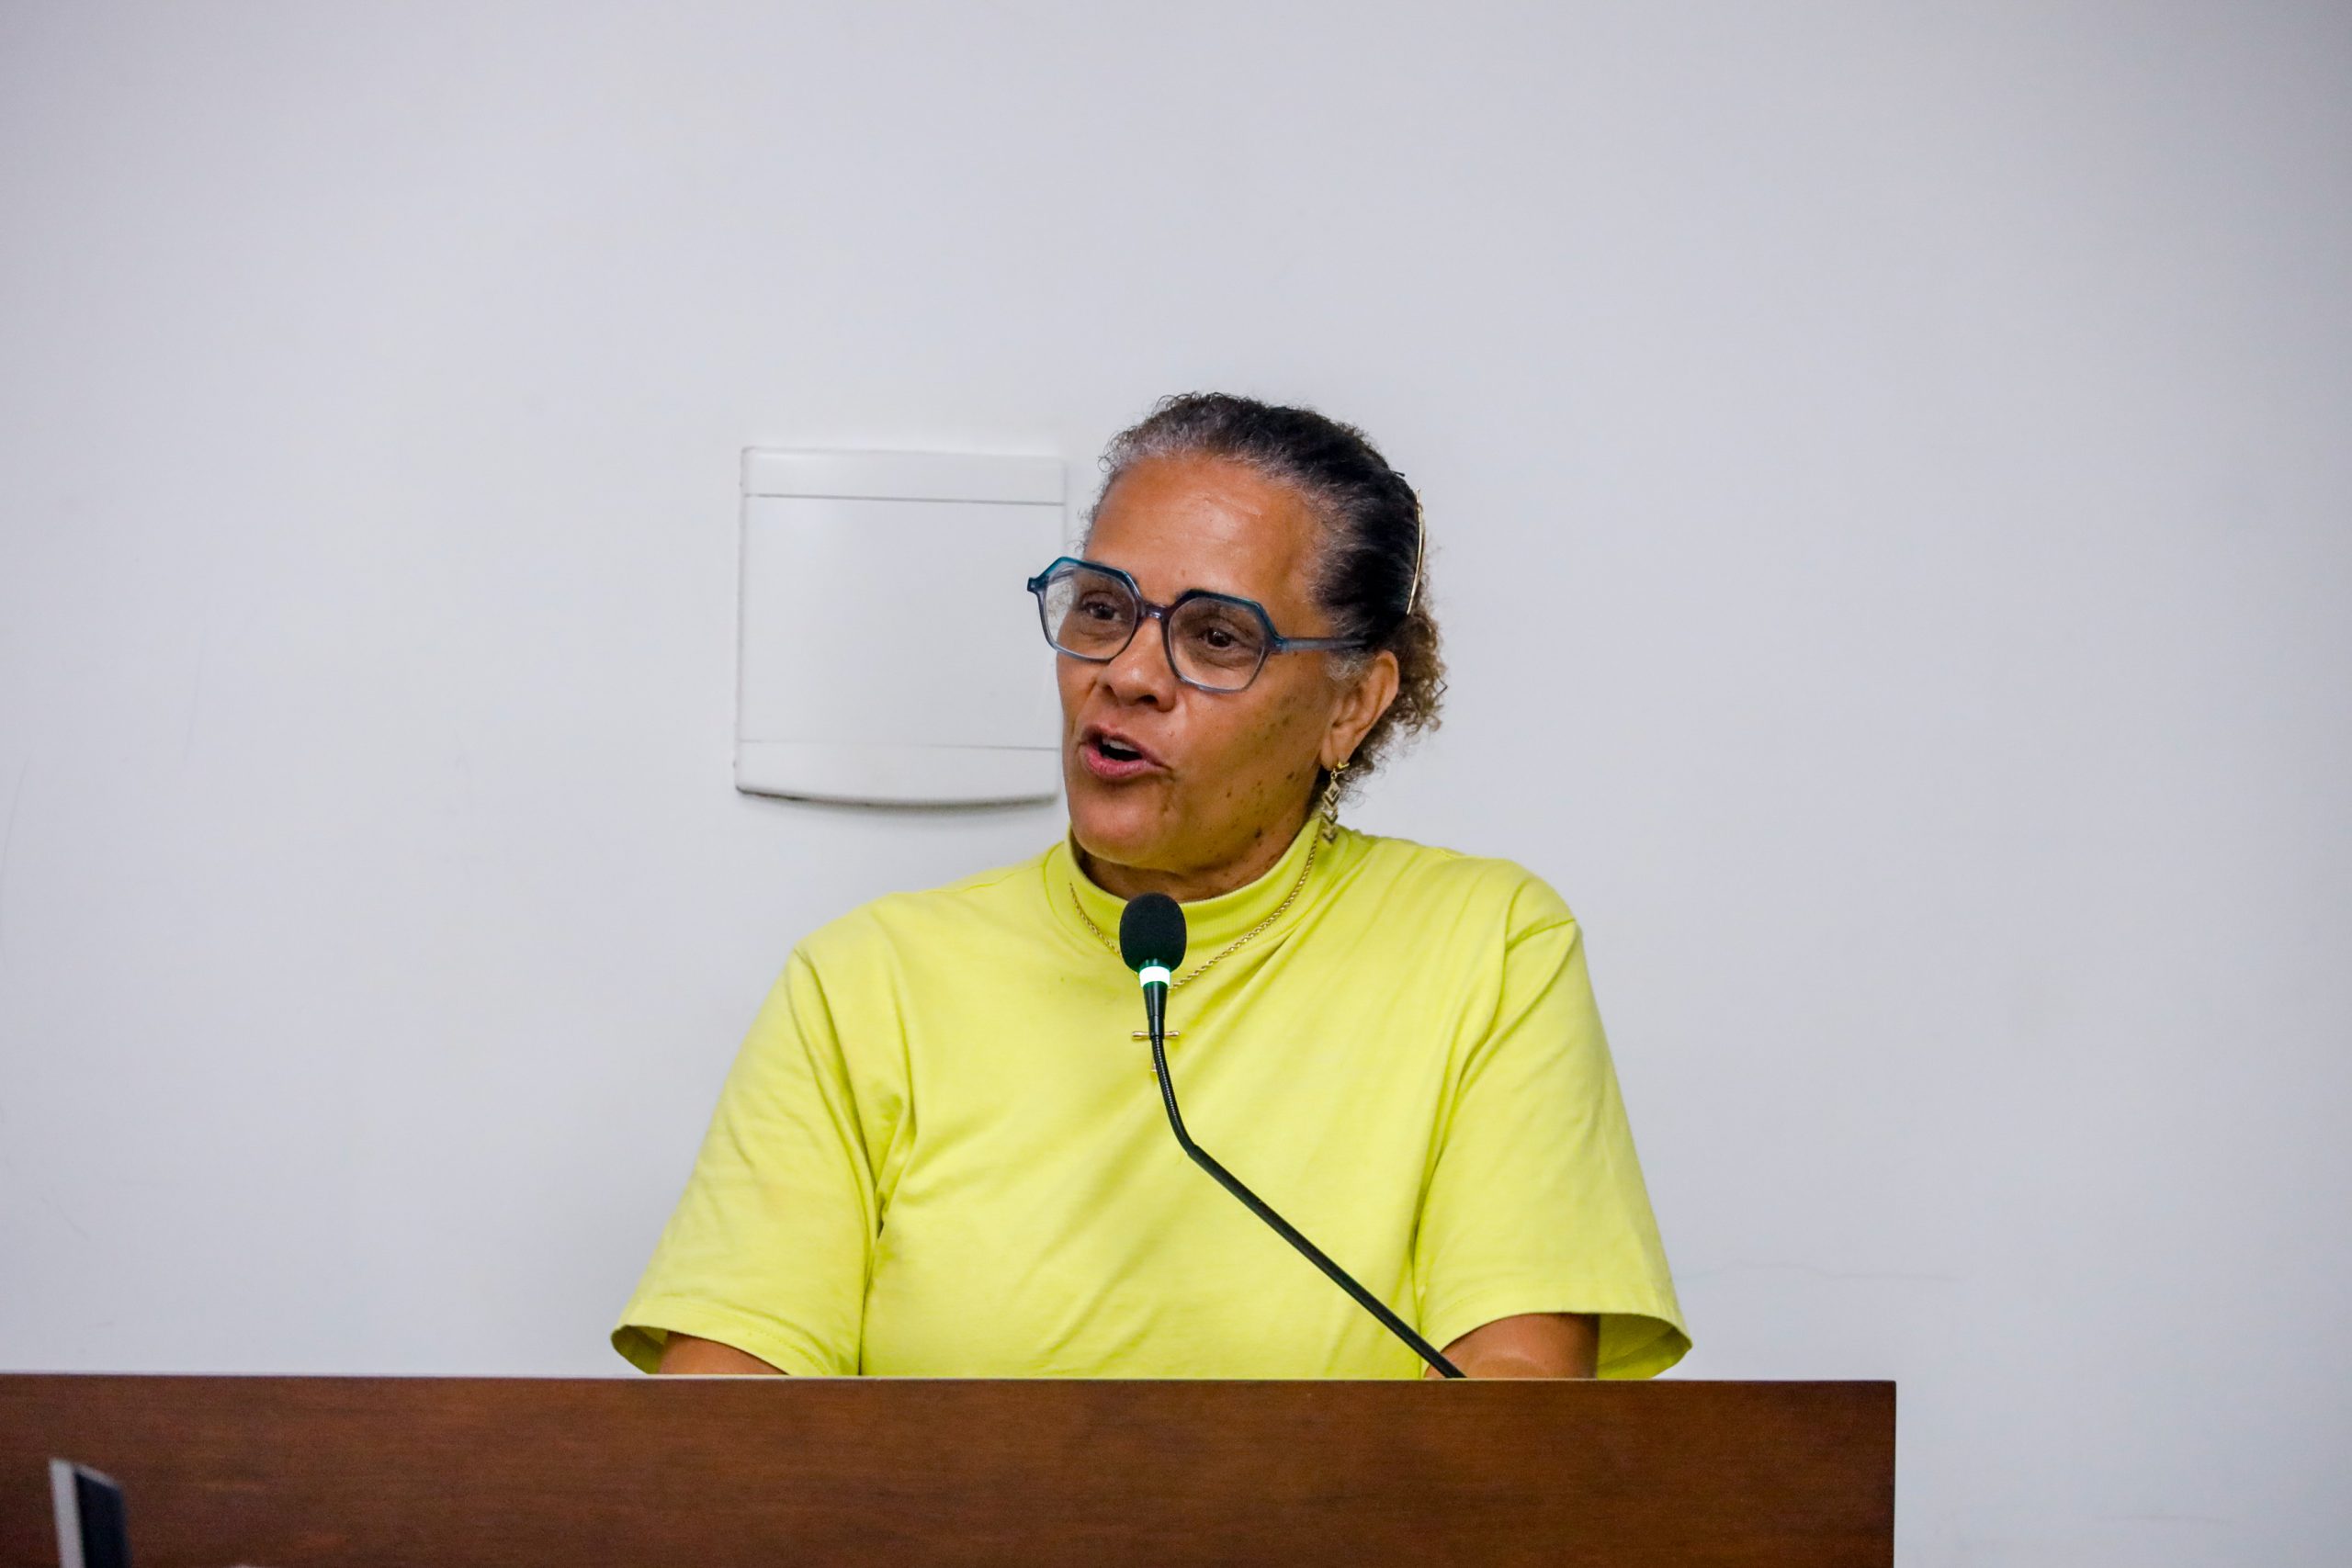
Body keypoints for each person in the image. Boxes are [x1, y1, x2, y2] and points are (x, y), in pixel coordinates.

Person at [613, 393, 1689, 1379]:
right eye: (1101, 608)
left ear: (1350, 706)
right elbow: (723, 1422)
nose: (1126, 674)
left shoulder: (1485, 946)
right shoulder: (866, 981)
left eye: (1215, 637)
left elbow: (1517, 1410)